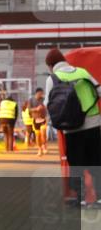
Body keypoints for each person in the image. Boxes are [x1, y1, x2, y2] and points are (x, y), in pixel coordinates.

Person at [45, 48, 100, 206]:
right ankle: (99, 199)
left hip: (72, 127)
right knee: (96, 161)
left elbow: (49, 105)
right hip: (93, 123)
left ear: (50, 65)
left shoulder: (53, 79)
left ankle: (80, 199)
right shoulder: (83, 72)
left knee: (77, 164)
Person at [29, 87, 49, 156]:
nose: (42, 95)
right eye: (41, 93)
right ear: (37, 93)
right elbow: (29, 109)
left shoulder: (43, 100)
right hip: (35, 119)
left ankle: (44, 146)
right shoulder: (31, 100)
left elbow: (47, 107)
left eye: (42, 94)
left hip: (43, 119)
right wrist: (36, 109)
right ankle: (39, 149)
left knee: (43, 133)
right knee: (38, 135)